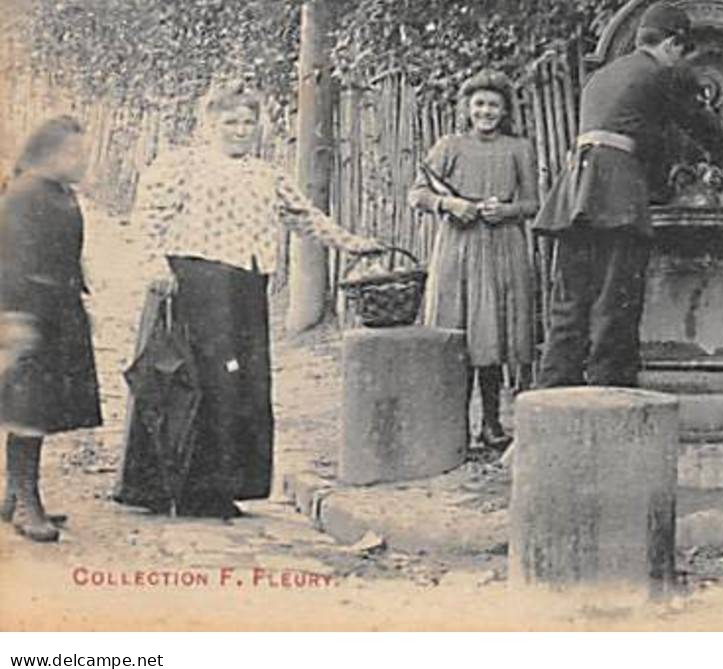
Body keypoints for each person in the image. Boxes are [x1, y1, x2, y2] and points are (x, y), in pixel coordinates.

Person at [117, 80, 384, 519]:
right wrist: (156, 268)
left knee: (239, 385)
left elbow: (305, 218)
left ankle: (219, 489)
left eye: (248, 122)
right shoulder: (182, 166)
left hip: (245, 289)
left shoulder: (267, 175)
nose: (241, 130)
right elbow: (148, 220)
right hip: (195, 283)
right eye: (231, 122)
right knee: (189, 383)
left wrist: (351, 243)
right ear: (209, 123)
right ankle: (166, 487)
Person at [534, 2, 723, 389]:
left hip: (577, 189)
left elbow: (641, 134)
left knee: (571, 301)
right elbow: (698, 124)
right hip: (616, 195)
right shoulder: (664, 74)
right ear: (674, 44)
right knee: (616, 299)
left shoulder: (602, 76)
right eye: (682, 50)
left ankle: (553, 394)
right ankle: (611, 393)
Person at [408, 70, 539, 451]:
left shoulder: (519, 149)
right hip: (458, 248)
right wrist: (450, 203)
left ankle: (492, 423)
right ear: (467, 107)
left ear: (505, 110)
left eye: (493, 105)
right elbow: (417, 193)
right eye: (479, 104)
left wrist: (508, 210)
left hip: (502, 247)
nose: (486, 111)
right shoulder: (449, 146)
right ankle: (454, 425)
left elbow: (533, 204)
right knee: (460, 332)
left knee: (495, 334)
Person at [0, 117, 100, 542]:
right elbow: (9, 261)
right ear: (47, 154)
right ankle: (26, 502)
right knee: (28, 409)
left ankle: (11, 495)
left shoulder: (59, 193)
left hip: (57, 309)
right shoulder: (23, 195)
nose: (82, 162)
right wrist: (15, 318)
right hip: (30, 311)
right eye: (74, 154)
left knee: (35, 406)